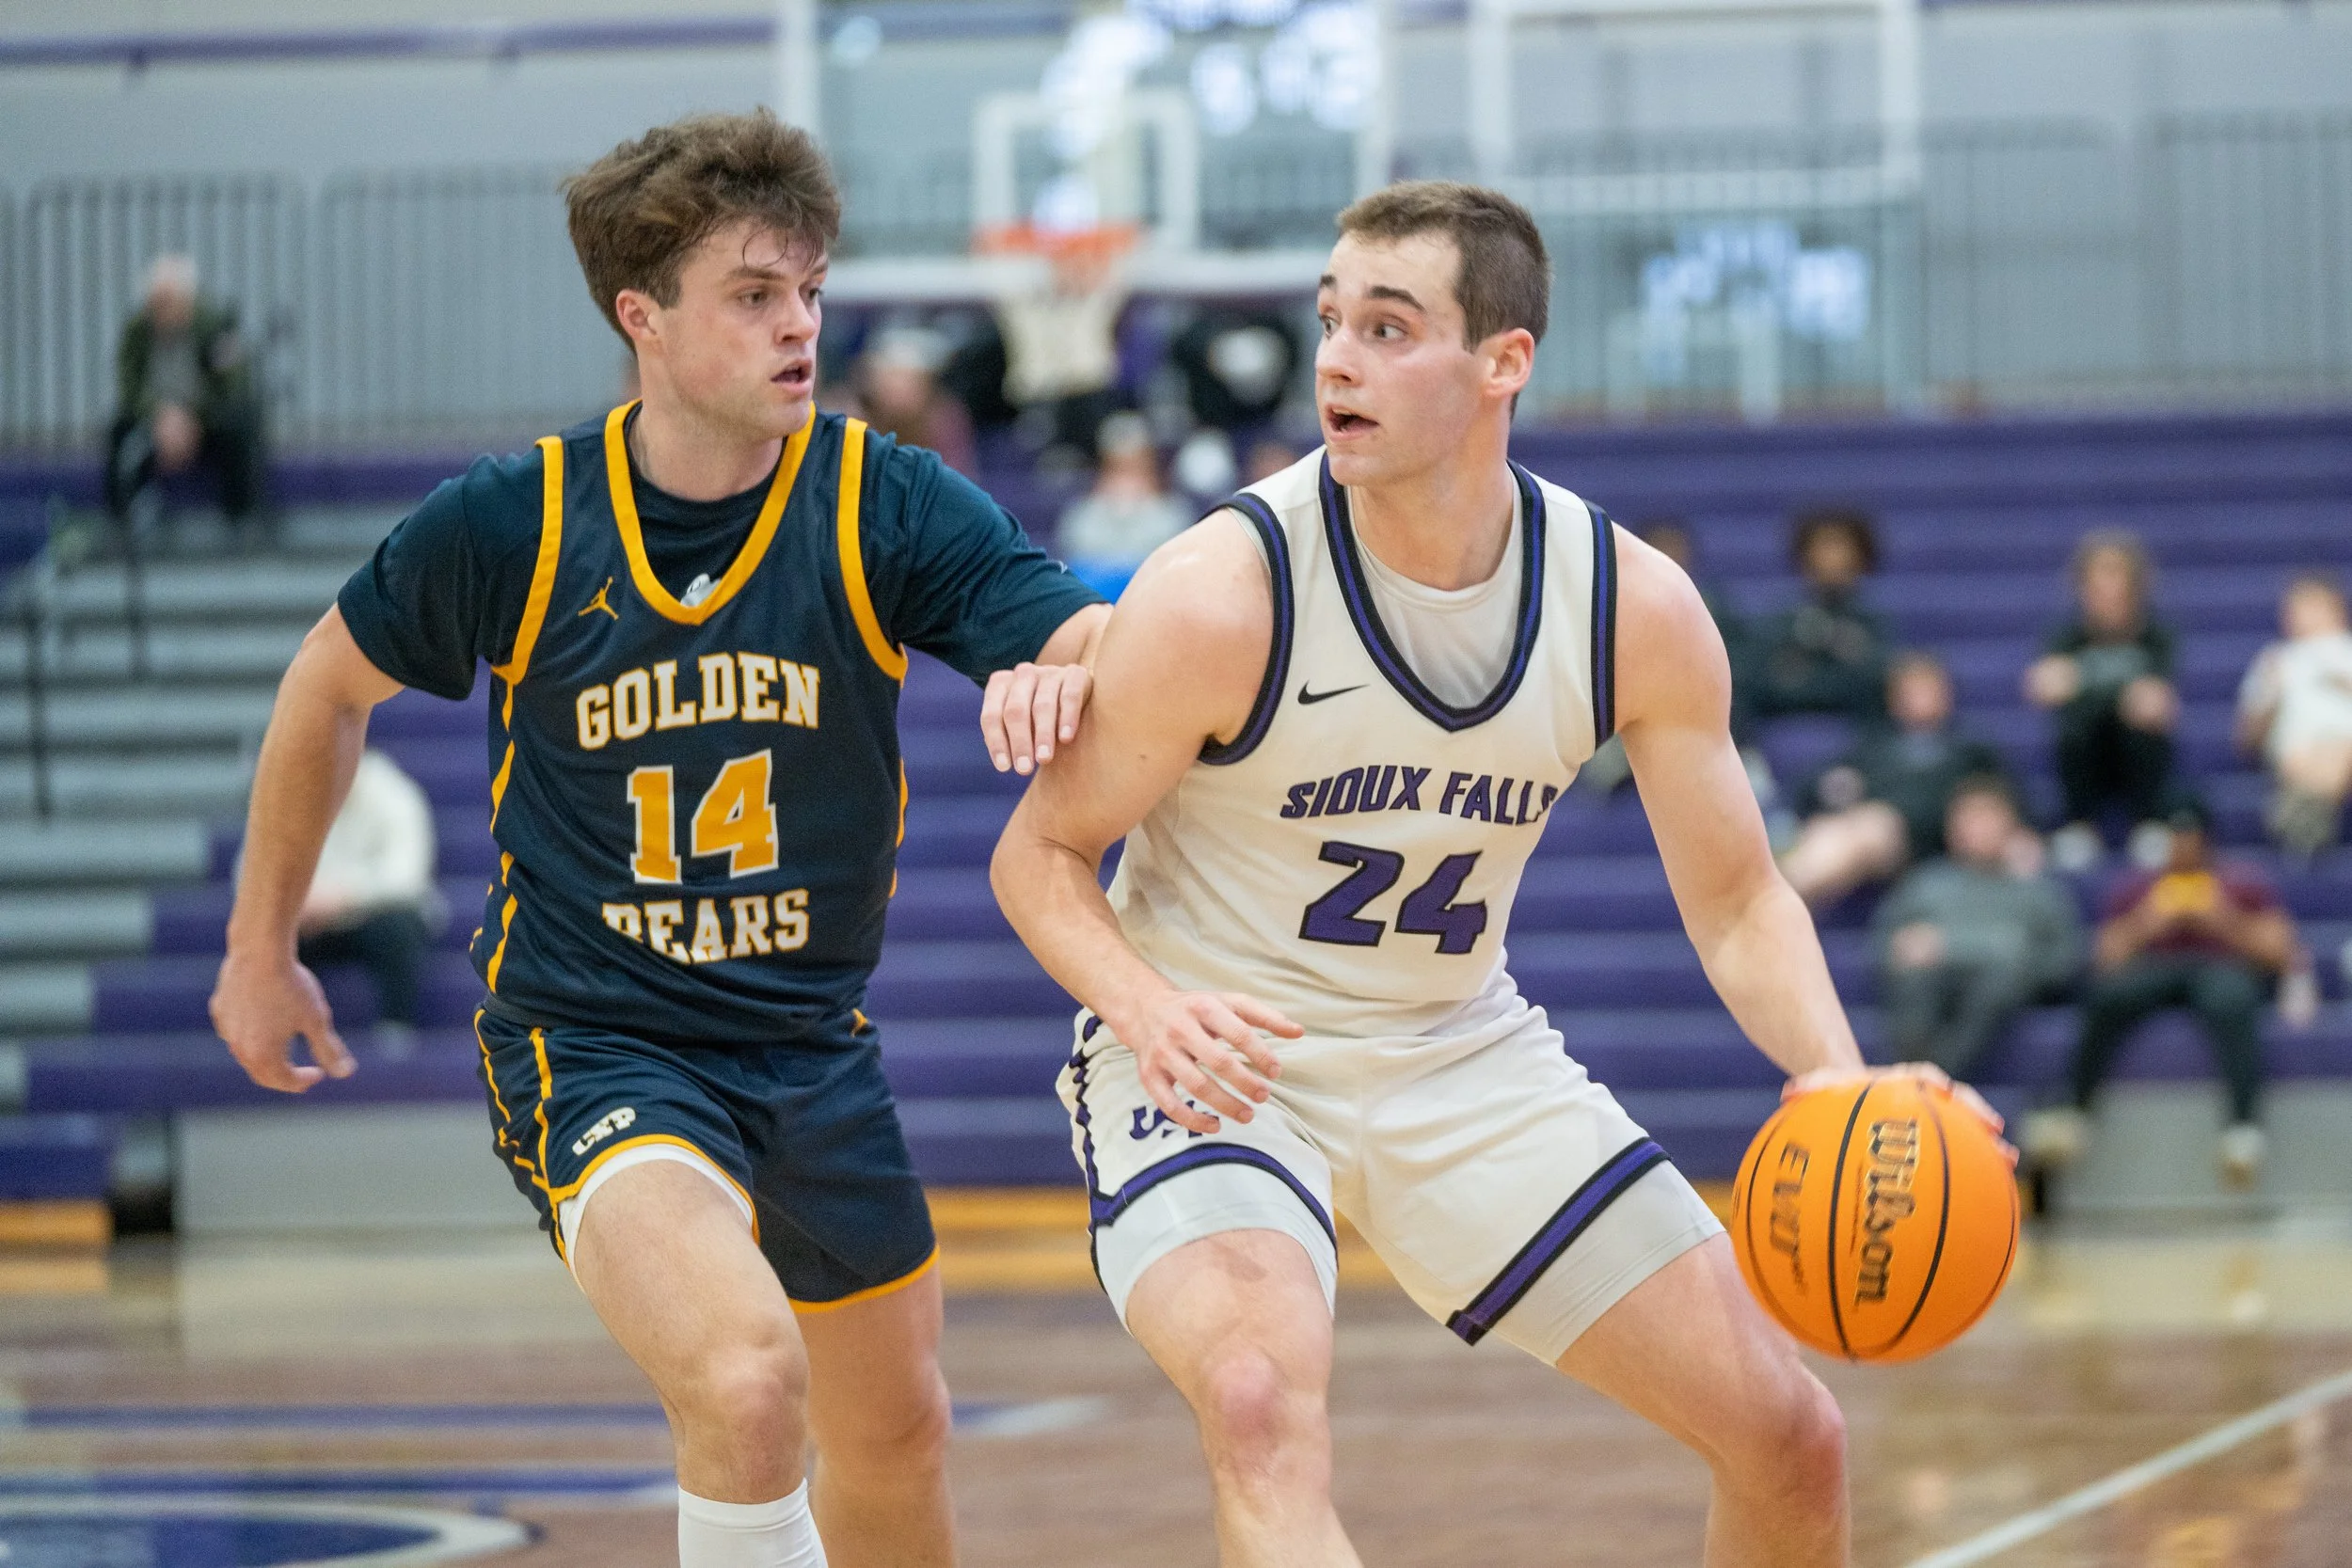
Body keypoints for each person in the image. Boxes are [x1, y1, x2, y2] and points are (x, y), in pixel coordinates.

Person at [992, 180, 2004, 1567]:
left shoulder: (1627, 603)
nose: (1337, 360)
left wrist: (1838, 1076)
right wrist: (1148, 1009)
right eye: (1330, 321)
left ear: (1501, 362)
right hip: (1215, 1052)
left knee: (1791, 1436)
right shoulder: (1226, 588)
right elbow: (1040, 854)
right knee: (1257, 1401)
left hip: (1454, 1050)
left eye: (1388, 328)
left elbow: (1739, 900)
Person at [209, 111, 1108, 1568]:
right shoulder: (514, 520)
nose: (799, 324)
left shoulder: (881, 498)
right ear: (644, 316)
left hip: (810, 1043)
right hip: (597, 1040)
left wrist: (1070, 662)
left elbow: (1087, 633)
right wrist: (259, 947)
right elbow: (326, 684)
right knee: (747, 1382)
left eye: (809, 290)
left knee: (898, 1431)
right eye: (754, 294)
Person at [2027, 800, 2317, 1189]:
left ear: (2207, 840)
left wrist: (2223, 920)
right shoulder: (2138, 885)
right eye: (2176, 838)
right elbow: (2103, 958)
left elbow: (2282, 951)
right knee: (2107, 997)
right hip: (2154, 969)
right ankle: (2073, 1110)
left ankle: (2243, 1127)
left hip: (2219, 968)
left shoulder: (2241, 881)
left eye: (2191, 838)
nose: (2183, 848)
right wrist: (2148, 921)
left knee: (2232, 998)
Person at [1873, 777, 2082, 1080]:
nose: (1978, 827)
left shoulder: (2036, 891)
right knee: (1914, 979)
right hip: (1931, 987)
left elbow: (2063, 959)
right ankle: (1919, 1077)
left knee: (1999, 979)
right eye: (1969, 817)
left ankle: (1935, 1079)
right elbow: (1886, 944)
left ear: (2011, 824)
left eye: (1988, 816)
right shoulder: (1924, 884)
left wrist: (1950, 949)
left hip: (2001, 996)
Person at [1777, 652, 2014, 909]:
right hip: (1859, 827)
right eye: (1911, 691)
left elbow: (2000, 796)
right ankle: (1781, 893)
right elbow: (1815, 785)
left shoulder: (1968, 748)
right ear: (1894, 698)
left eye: (1927, 689)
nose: (1920, 698)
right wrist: (1836, 788)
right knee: (1824, 829)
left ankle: (1779, 897)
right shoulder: (1876, 744)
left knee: (1870, 828)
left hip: (1920, 838)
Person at [2025, 531, 2180, 870]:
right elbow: (2042, 686)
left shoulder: (2156, 635)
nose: (2108, 592)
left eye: (2116, 579)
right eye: (2098, 582)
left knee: (2144, 721)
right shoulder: (2066, 635)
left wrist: (2082, 680)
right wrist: (2118, 691)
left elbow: (2158, 702)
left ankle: (2149, 823)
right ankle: (2080, 826)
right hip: (2087, 751)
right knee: (2076, 724)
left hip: (2134, 750)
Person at [105, 253, 269, 546]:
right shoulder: (136, 332)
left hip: (204, 423)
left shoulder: (215, 327)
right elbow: (129, 386)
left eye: (169, 301)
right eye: (156, 302)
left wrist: (191, 419)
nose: (162, 310)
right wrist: (161, 417)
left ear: (187, 300)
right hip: (155, 422)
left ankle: (241, 522)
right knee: (118, 431)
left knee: (242, 425)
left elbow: (231, 385)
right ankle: (122, 523)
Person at [293, 748, 441, 1053]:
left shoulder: (393, 792)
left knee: (400, 926)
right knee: (267, 929)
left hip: (373, 917)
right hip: (309, 922)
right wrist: (295, 901)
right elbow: (250, 874)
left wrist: (344, 895)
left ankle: (395, 1032)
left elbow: (407, 877)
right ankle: (287, 1037)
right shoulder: (291, 793)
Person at [2236, 571, 2352, 859]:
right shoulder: (2275, 661)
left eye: (2314, 605)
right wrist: (2271, 697)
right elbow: (2247, 741)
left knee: (2336, 753)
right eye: (2297, 608)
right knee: (2309, 757)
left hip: (2345, 747)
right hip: (2294, 754)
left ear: (2337, 608)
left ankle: (2299, 818)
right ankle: (2310, 821)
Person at [1742, 506, 1891, 730]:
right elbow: (1765, 682)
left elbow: (1880, 683)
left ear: (1860, 556)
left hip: (1862, 737)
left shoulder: (1874, 622)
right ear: (1805, 556)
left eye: (1840, 547)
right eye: (1824, 547)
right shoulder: (1783, 620)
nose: (1832, 558)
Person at [1056, 412, 1193, 600]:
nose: (1127, 480)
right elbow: (1078, 556)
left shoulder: (1173, 512)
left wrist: (1141, 511)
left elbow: (1175, 568)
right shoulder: (1083, 513)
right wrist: (1113, 514)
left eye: (1134, 467)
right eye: (1118, 468)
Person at [846, 325, 977, 477]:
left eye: (909, 379)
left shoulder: (945, 421)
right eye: (893, 377)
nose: (900, 387)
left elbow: (956, 478)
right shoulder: (855, 422)